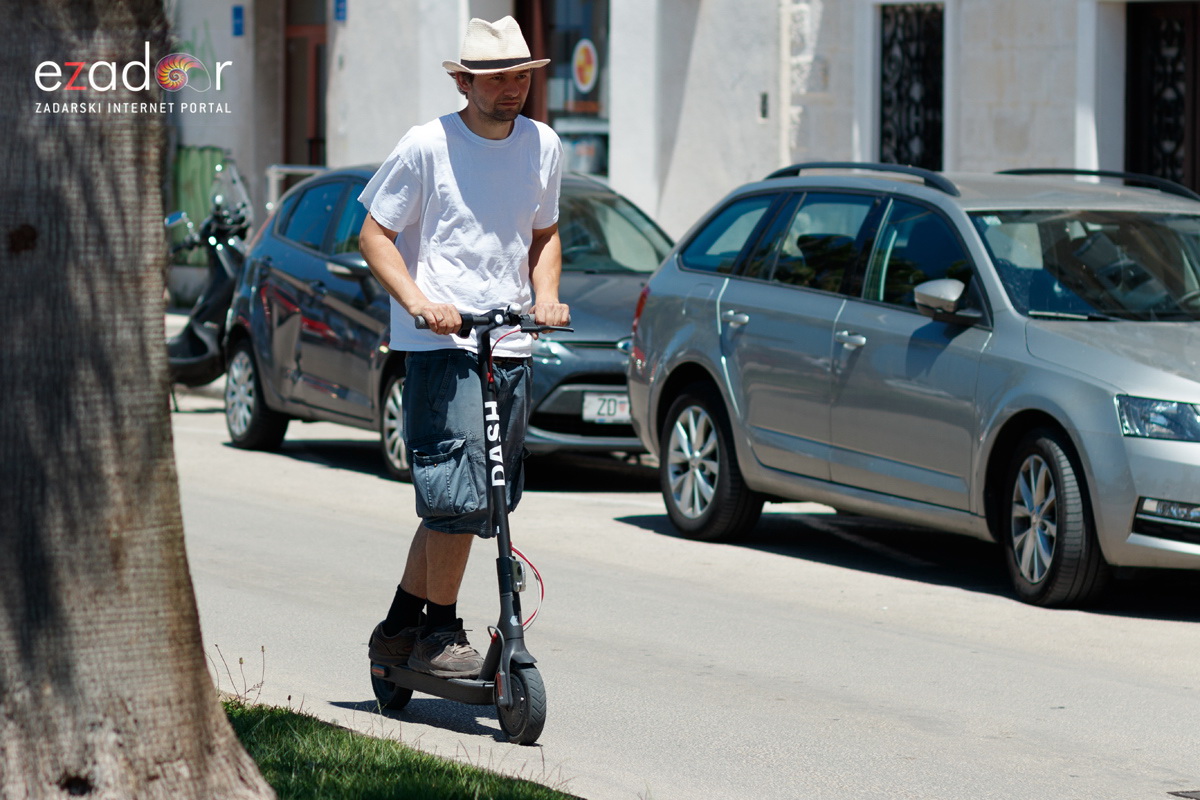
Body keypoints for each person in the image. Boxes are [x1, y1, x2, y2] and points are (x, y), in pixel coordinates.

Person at [358, 16, 569, 680]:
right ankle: (438, 634)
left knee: (484, 503)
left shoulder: (543, 144)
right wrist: (418, 301)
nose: (513, 90)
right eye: (499, 78)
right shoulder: (427, 145)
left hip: (506, 344)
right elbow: (373, 235)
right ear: (466, 81)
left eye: (521, 77)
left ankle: (398, 629)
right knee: (455, 496)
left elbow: (545, 236)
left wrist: (548, 294)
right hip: (440, 347)